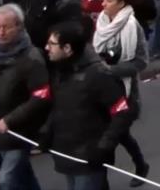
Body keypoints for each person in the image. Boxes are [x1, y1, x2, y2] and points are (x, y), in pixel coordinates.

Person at [43, 21, 134, 190]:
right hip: (68, 154)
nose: (47, 47)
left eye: (52, 44)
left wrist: (103, 146)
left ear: (68, 49)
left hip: (88, 158)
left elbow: (122, 112)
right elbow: (59, 108)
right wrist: (47, 133)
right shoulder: (60, 73)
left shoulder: (97, 75)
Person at [0, 4, 50, 190]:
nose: (1, 32)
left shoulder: (32, 57)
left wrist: (10, 120)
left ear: (19, 26)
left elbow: (41, 96)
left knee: (7, 179)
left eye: (6, 27)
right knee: (22, 176)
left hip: (18, 130)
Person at [93, 0, 150, 187]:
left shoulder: (132, 26)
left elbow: (141, 62)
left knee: (111, 137)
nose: (103, 5)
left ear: (122, 3)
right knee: (119, 133)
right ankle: (141, 164)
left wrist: (111, 69)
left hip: (125, 91)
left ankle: (101, 180)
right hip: (102, 89)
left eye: (109, 1)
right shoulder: (101, 21)